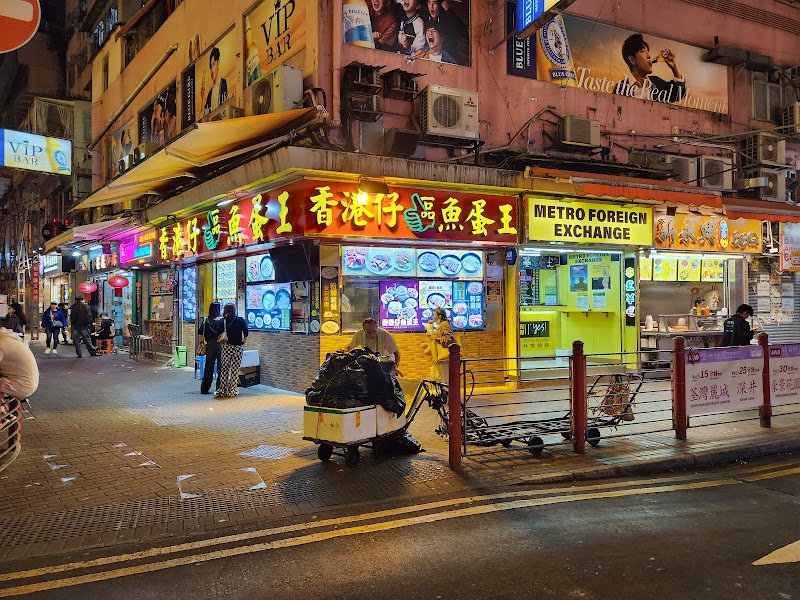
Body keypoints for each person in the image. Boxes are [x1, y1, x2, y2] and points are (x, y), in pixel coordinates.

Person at [614, 33, 685, 104]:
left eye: (647, 51)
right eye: (642, 51)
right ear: (632, 60)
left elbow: (678, 94)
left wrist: (674, 68)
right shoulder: (621, 88)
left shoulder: (657, 83)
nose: (649, 56)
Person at [216, 303, 248, 398]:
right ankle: (232, 391)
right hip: (238, 347)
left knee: (224, 369)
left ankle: (222, 390)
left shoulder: (222, 321)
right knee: (235, 369)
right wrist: (242, 343)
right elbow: (246, 333)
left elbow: (218, 335)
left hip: (226, 347)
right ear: (234, 310)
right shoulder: (240, 320)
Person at [0, 327, 39, 400]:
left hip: (21, 385)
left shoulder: (1, 343)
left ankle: (1, 410)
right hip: (28, 383)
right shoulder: (8, 338)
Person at [422, 307, 454, 382]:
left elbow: (448, 338)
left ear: (439, 316)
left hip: (444, 359)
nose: (433, 317)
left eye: (434, 315)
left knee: (443, 380)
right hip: (441, 359)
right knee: (440, 380)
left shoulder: (444, 324)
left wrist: (435, 338)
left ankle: (445, 393)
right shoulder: (441, 325)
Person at [198, 302, 222, 395]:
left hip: (210, 345)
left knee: (208, 367)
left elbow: (200, 332)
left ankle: (205, 388)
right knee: (221, 367)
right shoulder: (221, 320)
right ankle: (219, 388)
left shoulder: (206, 320)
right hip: (220, 345)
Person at [203, 47, 228, 115]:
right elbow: (205, 114)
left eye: (214, 64)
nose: (212, 70)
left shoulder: (223, 83)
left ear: (218, 63)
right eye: (211, 67)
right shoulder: (210, 93)